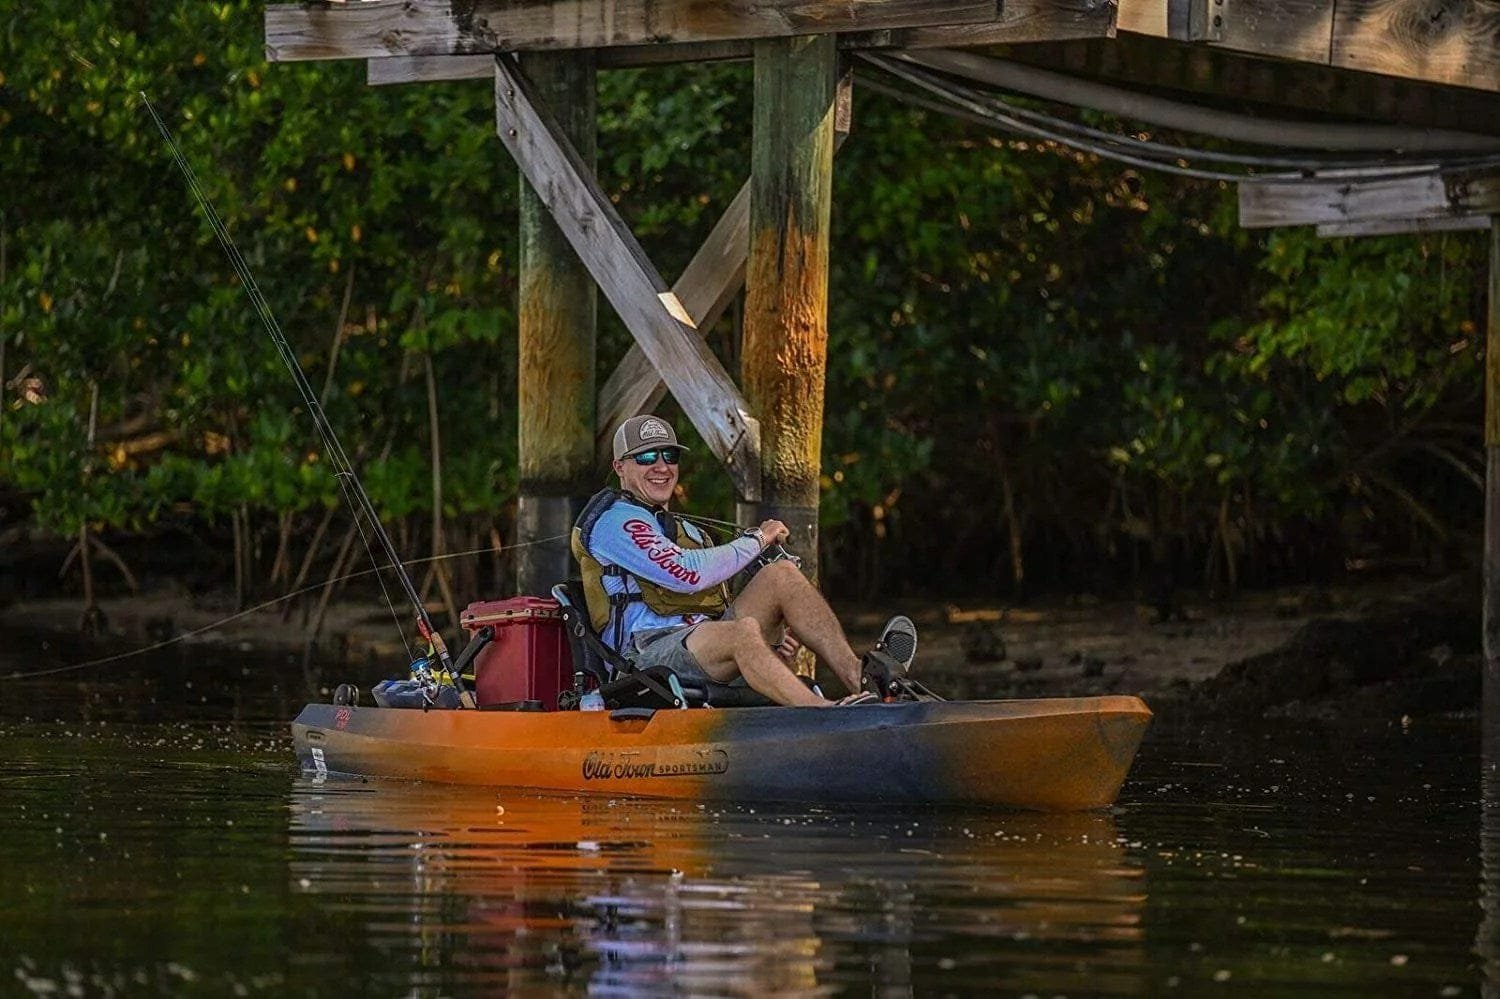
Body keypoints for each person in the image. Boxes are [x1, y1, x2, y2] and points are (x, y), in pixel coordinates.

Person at [570, 414, 917, 708]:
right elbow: (687, 574)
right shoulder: (615, 522)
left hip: (702, 645)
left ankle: (863, 681)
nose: (661, 467)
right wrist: (757, 539)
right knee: (743, 632)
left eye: (669, 455)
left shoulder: (686, 530)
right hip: (645, 655)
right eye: (646, 457)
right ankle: (823, 711)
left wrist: (772, 647)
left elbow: (712, 609)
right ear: (619, 467)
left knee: (781, 574)